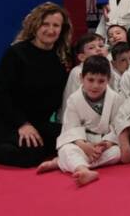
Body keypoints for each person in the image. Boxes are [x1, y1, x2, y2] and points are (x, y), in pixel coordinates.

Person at [0, 2, 72, 167]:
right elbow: (0, 93)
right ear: (35, 25)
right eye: (45, 24)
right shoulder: (16, 53)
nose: (50, 30)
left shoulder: (62, 58)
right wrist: (22, 124)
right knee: (31, 155)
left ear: (62, 29)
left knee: (69, 139)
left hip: (39, 123)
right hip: (9, 121)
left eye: (56, 25)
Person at [36, 56, 123, 186]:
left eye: (101, 81)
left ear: (108, 80)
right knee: (66, 149)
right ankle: (83, 170)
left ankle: (63, 162)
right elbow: (70, 129)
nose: (95, 85)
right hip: (81, 143)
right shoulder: (74, 99)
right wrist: (84, 146)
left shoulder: (115, 99)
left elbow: (117, 127)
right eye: (90, 80)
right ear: (81, 78)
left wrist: (106, 144)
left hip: (102, 143)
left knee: (117, 153)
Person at [60, 32, 108, 118]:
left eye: (101, 46)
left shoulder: (109, 69)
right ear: (82, 57)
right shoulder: (77, 72)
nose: (98, 49)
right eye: (91, 47)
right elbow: (73, 101)